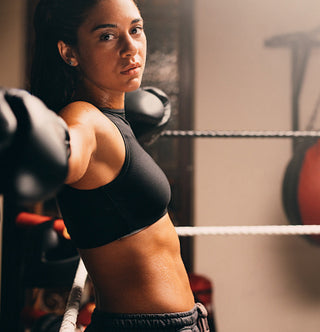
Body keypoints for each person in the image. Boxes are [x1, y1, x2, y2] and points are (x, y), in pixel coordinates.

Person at [29, 0, 209, 330]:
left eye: (136, 30)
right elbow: (71, 150)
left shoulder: (113, 121)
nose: (131, 48)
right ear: (69, 53)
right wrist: (44, 152)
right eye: (108, 36)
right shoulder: (83, 118)